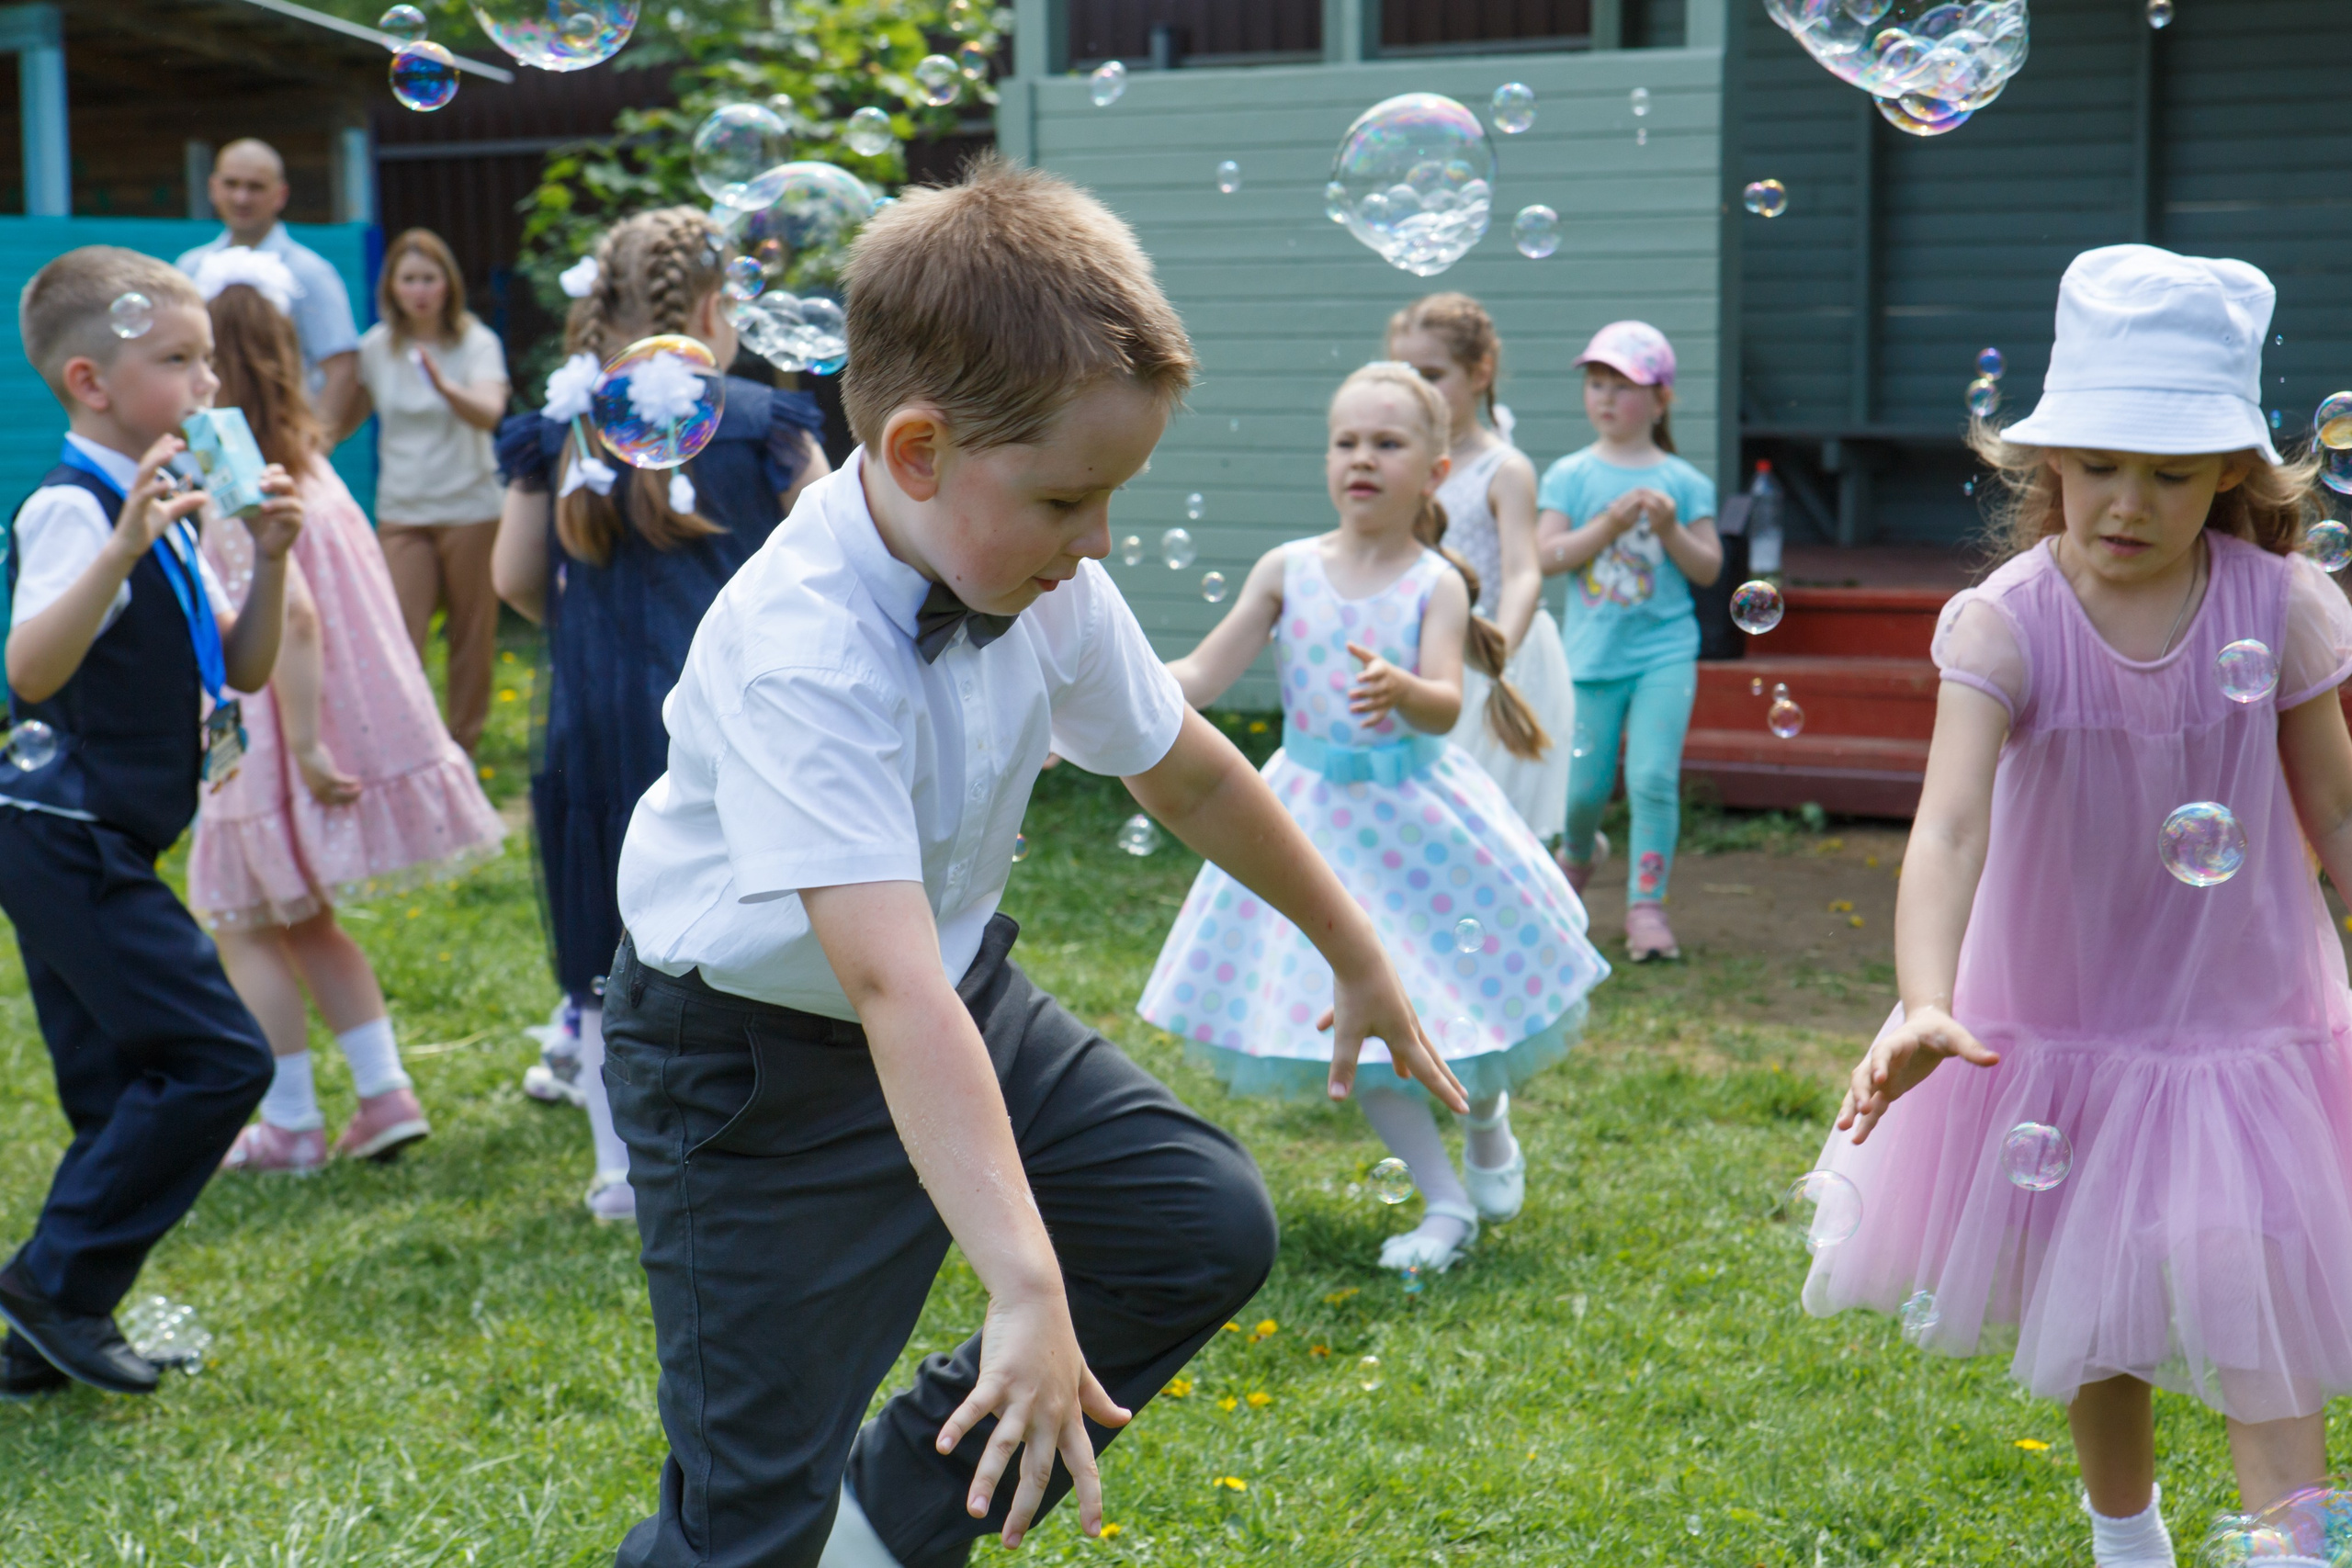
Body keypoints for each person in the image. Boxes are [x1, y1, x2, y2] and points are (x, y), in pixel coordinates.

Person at [603, 159, 1463, 1568]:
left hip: (951, 989)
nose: (1102, 539)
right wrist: (1022, 1278)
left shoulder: (1039, 570)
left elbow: (1182, 764)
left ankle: (882, 1530)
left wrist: (1353, 948)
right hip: (752, 1069)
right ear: (922, 450)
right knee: (749, 1513)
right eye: (1073, 500)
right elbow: (885, 988)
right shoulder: (801, 649)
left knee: (1198, 1221)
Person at [1815, 245, 2352, 1563]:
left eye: (2171, 473)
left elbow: (2335, 812)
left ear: (2231, 474)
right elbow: (1947, 827)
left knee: (2256, 1289)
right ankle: (2130, 1537)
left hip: (2245, 1022)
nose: (2129, 500)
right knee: (2096, 1310)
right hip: (2058, 1019)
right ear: (2045, 457)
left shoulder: (2277, 607)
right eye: (2100, 463)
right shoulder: (2005, 622)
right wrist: (1927, 998)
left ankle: (2299, 1540)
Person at [1140, 361, 1608, 1277]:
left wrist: (1404, 690)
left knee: (1454, 1001)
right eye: (1346, 441)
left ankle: (1485, 1118)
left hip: (1418, 821)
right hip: (1313, 826)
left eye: (1387, 444)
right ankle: (1442, 1205)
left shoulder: (1434, 582)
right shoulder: (1286, 570)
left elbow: (1443, 702)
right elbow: (1199, 673)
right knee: (1353, 1014)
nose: (1362, 458)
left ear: (1433, 474)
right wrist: (1104, 692)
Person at [0, 248, 301, 1397]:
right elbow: (30, 671)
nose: (206, 383)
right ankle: (50, 1288)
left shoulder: (166, 509)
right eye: (176, 361)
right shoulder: (76, 511)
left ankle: (40, 1341)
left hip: (99, 837)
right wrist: (120, 547)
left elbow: (247, 667)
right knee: (221, 1059)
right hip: (58, 830)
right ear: (90, 381)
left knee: (114, 1091)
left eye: (208, 360)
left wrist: (266, 561)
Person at [491, 207, 828, 1224]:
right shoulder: (767, 421)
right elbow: (828, 563)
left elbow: (513, 580)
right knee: (751, 924)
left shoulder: (562, 424)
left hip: (597, 726)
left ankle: (618, 1170)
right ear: (718, 304)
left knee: (606, 948)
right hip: (735, 729)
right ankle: (760, 1141)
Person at [185, 248, 505, 1174]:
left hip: (266, 731)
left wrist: (311, 745)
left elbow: (295, 615)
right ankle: (384, 1094)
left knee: (245, 925)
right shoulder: (309, 455)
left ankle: (290, 1123)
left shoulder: (225, 459)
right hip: (287, 723)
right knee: (309, 922)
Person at [1535, 321, 1722, 963]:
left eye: (1623, 386)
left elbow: (1708, 569)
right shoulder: (1569, 475)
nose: (1605, 398)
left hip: (1664, 655)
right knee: (1583, 791)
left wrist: (1671, 530)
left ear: (1662, 399)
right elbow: (1546, 555)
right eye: (1595, 383)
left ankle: (1647, 907)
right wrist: (1603, 526)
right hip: (1589, 659)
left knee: (1650, 778)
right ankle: (1575, 865)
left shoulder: (1685, 482)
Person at [1386, 292, 1573, 842]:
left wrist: (1499, 653)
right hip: (1427, 656)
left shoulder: (1505, 469)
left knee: (1486, 826)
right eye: (1404, 374)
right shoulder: (1404, 463)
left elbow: (1523, 571)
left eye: (1433, 374)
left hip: (1490, 652)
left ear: (1480, 372)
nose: (1418, 390)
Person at [346, 229, 512, 757]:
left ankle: (462, 747)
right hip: (403, 509)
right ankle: (408, 748)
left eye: (429, 278)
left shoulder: (476, 342)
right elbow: (341, 417)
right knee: (399, 633)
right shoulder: (375, 348)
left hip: (470, 508)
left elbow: (489, 413)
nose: (419, 290)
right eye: (408, 279)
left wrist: (445, 387)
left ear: (448, 285)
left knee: (471, 634)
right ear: (391, 286)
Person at [175, 140, 361, 436]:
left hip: (280, 438)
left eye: (256, 187)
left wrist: (313, 446)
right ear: (213, 188)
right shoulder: (190, 267)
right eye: (231, 184)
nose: (242, 197)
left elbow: (342, 368)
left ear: (281, 194)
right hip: (207, 442)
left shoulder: (310, 272)